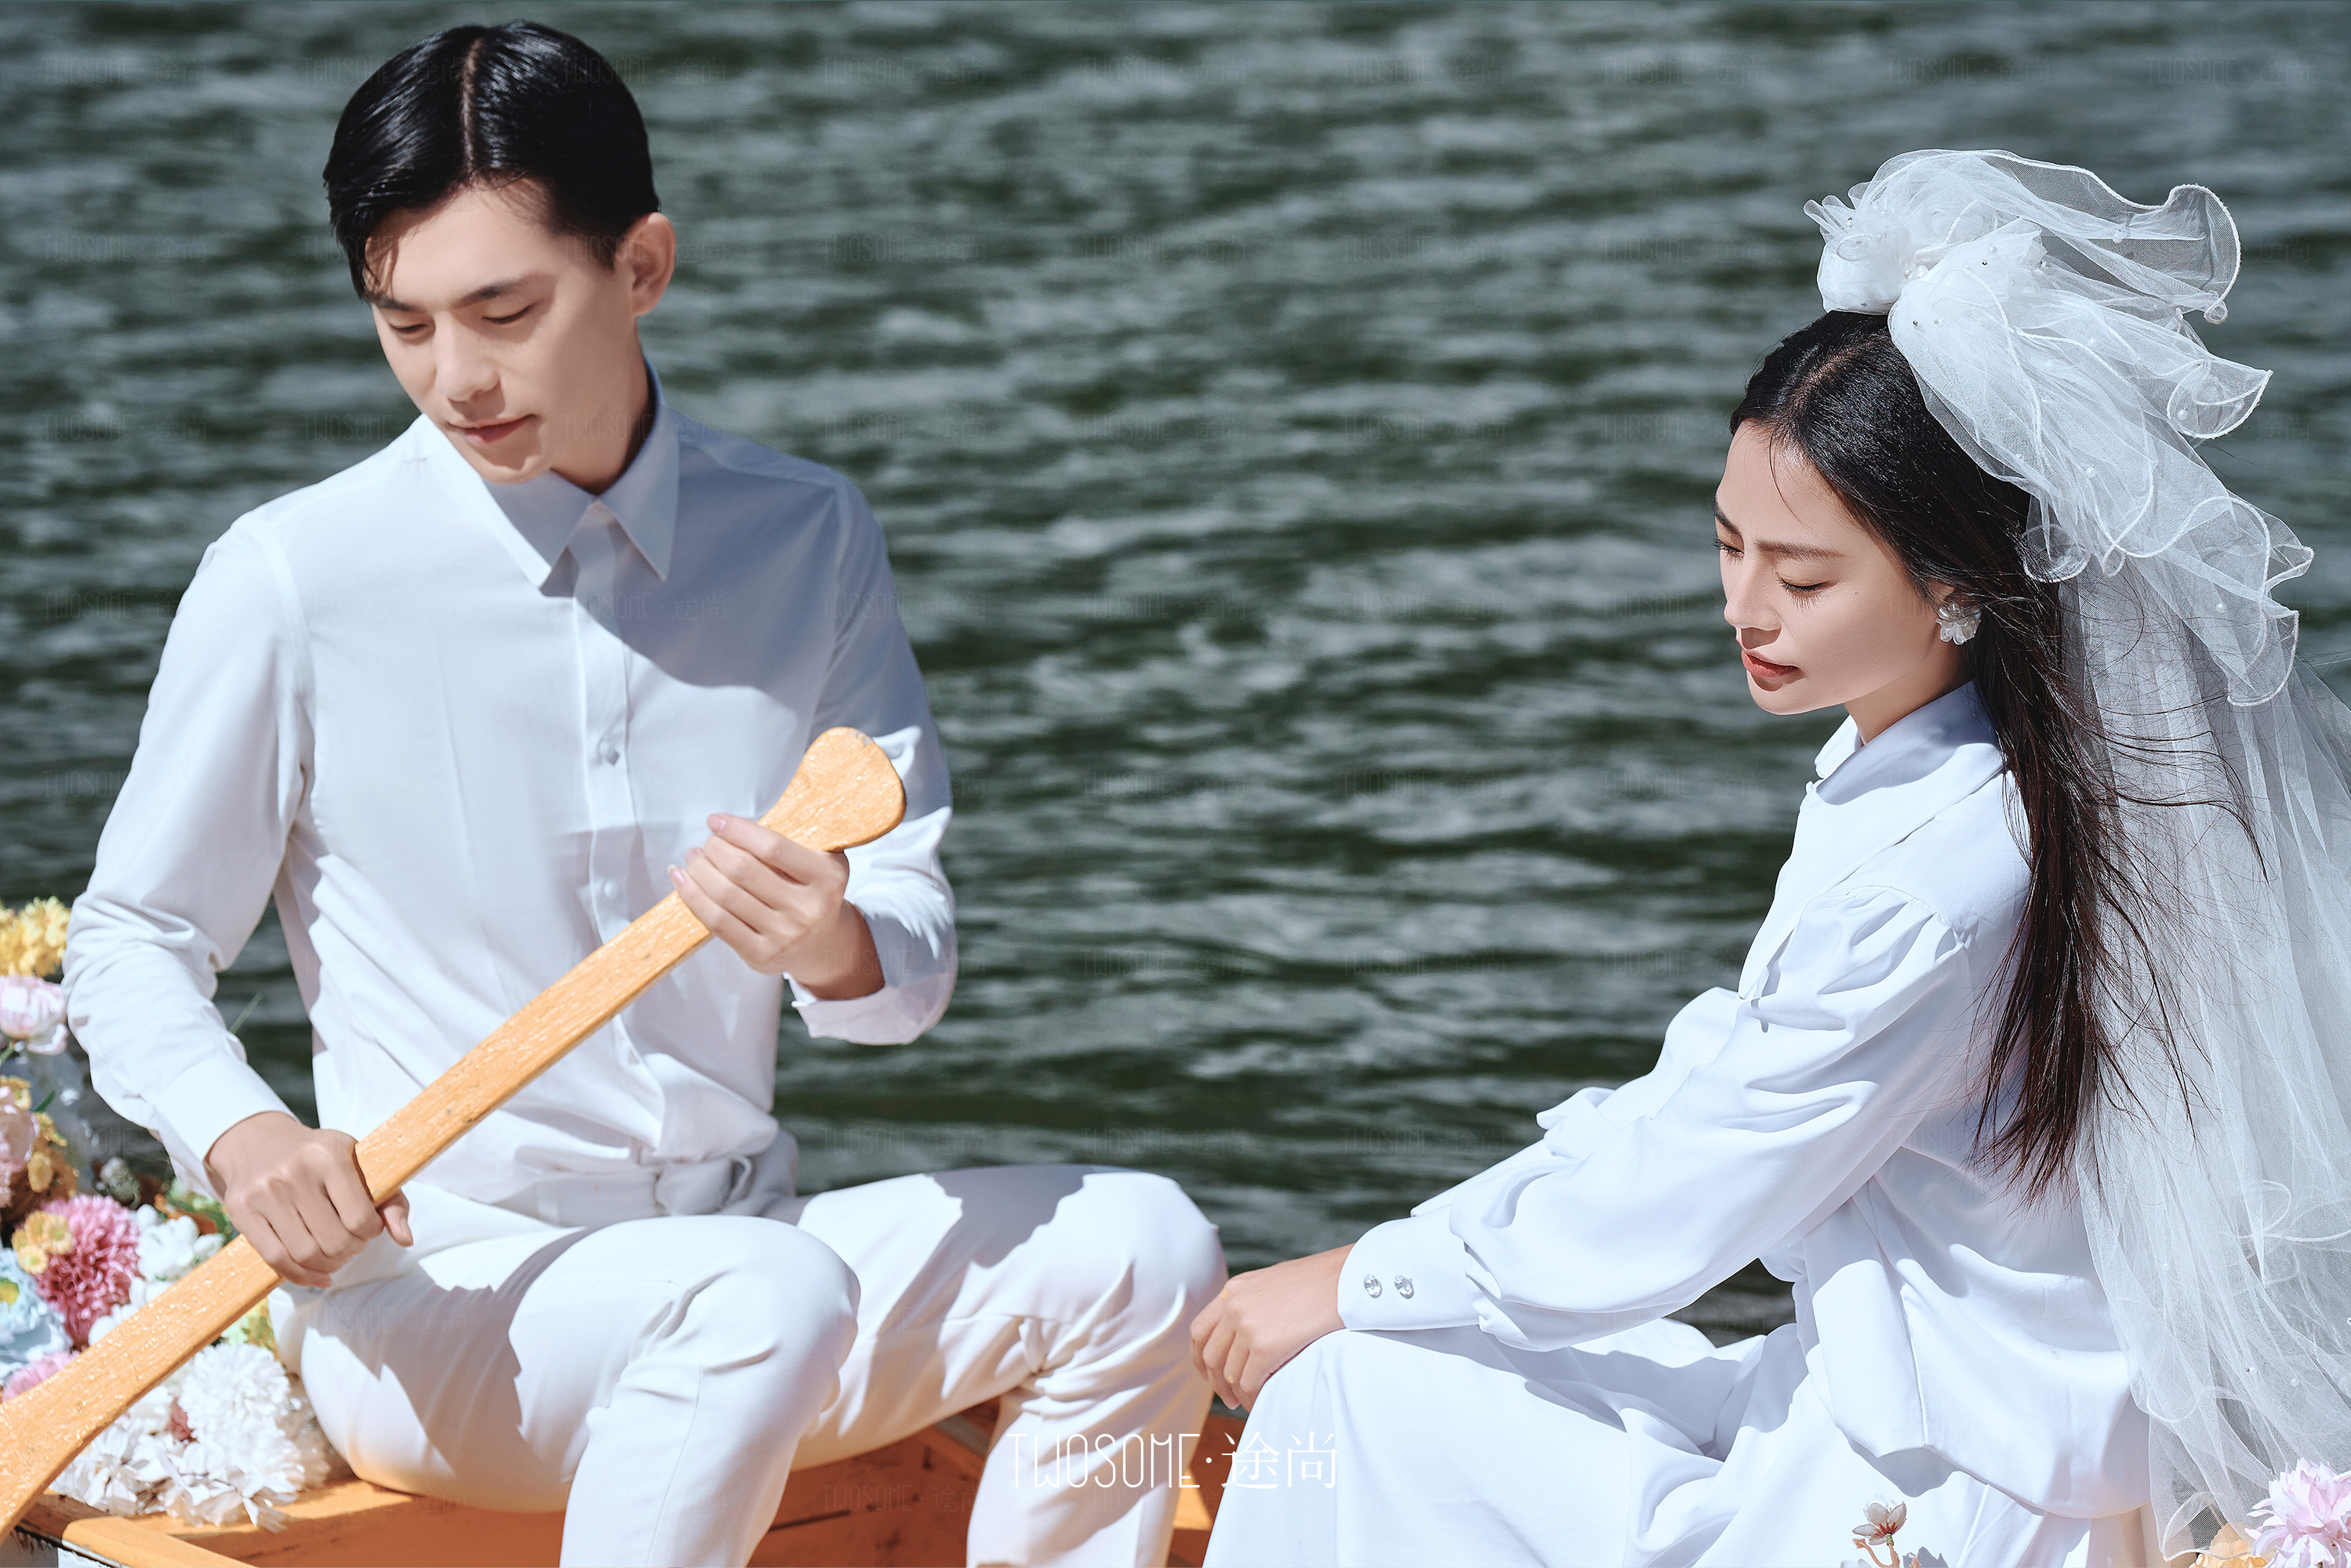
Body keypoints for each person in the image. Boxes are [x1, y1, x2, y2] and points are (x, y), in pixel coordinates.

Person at [62, 21, 1224, 1568]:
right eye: (404, 323)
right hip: (440, 1305)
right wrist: (246, 1138)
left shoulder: (805, 538)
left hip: (752, 1254)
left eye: (505, 310)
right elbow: (131, 939)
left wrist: (835, 944)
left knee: (1144, 1246)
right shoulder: (292, 579)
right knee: (761, 1302)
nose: (455, 378)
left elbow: (907, 955)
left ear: (643, 266)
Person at [1192, 150, 2351, 1567]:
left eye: (1802, 578)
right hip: (1890, 1390)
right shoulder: (1970, 770)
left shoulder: (1938, 882)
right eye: (1727, 545)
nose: (1745, 609)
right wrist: (1399, 1256)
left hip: (1936, 1476)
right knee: (1399, 1372)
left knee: (1350, 1392)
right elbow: (1719, 1087)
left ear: (1955, 582)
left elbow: (1692, 1188)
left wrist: (1358, 1278)